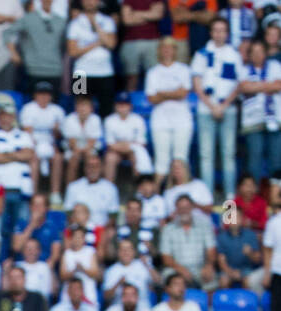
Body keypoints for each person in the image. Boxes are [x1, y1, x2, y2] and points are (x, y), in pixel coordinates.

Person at [191, 16, 241, 201]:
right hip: (206, 109)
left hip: (227, 109)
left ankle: (230, 198)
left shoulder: (234, 54)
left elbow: (239, 84)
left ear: (227, 33)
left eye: (223, 30)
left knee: (228, 154)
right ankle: (208, 197)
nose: (219, 34)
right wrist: (212, 106)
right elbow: (197, 84)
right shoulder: (201, 53)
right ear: (211, 32)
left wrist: (223, 105)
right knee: (206, 155)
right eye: (216, 30)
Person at [0, 100, 34, 259]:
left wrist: (5, 155)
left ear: (14, 117)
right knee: (0, 230)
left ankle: (18, 267)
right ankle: (0, 264)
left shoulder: (24, 135)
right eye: (3, 116)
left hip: (21, 191)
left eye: (9, 116)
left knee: (20, 230)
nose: (6, 119)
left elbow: (29, 154)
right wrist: (16, 154)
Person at [146, 36, 195, 188]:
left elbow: (183, 93)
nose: (167, 51)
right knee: (161, 161)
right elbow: (152, 98)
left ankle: (181, 192)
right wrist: (173, 93)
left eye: (170, 47)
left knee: (180, 160)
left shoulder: (184, 69)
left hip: (182, 121)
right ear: (159, 50)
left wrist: (162, 94)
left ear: (175, 50)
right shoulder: (153, 72)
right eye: (164, 47)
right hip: (160, 121)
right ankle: (159, 194)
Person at [239, 39, 281, 185]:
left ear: (265, 53)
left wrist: (256, 86)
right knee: (254, 160)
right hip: (253, 121)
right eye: (254, 52)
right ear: (250, 55)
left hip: (274, 120)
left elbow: (279, 86)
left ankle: (276, 198)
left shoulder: (275, 66)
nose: (257, 55)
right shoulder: (244, 69)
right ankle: (254, 196)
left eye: (260, 51)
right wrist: (268, 85)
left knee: (276, 159)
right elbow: (244, 88)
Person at [18, 81, 65, 203]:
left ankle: (55, 193)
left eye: (46, 94)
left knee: (58, 158)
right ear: (35, 95)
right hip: (33, 144)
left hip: (51, 144)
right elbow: (27, 133)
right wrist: (34, 148)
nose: (44, 97)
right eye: (41, 94)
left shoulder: (57, 111)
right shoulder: (28, 109)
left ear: (51, 96)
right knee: (33, 158)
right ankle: (33, 193)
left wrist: (56, 132)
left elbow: (60, 136)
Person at [159, 194, 218, 290]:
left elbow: (211, 250)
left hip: (200, 268)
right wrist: (181, 270)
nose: (184, 210)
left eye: (187, 207)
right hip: (176, 269)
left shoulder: (204, 225)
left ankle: (208, 305)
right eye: (181, 208)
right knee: (167, 276)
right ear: (176, 209)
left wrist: (209, 265)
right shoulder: (168, 229)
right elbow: (166, 258)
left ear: (192, 208)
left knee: (211, 277)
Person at [103, 91, 154, 184]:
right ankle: (109, 189)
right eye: (120, 104)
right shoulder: (109, 120)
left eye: (125, 104)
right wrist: (129, 145)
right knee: (110, 158)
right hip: (116, 152)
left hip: (133, 151)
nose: (122, 107)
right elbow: (110, 145)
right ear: (115, 106)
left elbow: (142, 144)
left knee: (137, 157)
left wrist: (124, 146)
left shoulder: (138, 120)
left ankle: (139, 190)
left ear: (130, 106)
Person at [120, 0, 164, 91]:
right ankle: (130, 101)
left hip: (152, 40)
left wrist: (135, 13)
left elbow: (157, 15)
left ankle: (154, 99)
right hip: (131, 40)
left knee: (155, 75)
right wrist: (148, 15)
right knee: (131, 76)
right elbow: (127, 20)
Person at [60, 93, 102, 187]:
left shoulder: (96, 119)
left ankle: (92, 187)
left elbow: (92, 142)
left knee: (90, 158)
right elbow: (72, 143)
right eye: (80, 105)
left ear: (91, 108)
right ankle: (70, 188)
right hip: (72, 149)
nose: (83, 109)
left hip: (90, 148)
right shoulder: (69, 119)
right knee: (75, 157)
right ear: (76, 107)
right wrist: (79, 151)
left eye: (86, 106)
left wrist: (85, 150)